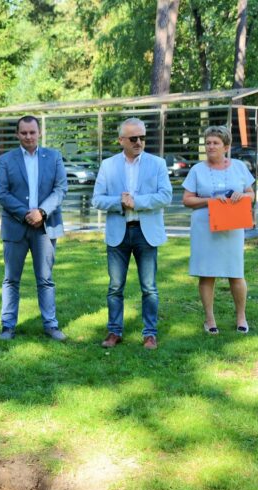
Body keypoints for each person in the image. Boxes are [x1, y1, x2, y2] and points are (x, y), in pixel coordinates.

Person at [92, 117, 172, 350]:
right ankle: (114, 331)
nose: (139, 142)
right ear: (121, 140)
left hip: (146, 233)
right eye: (134, 138)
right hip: (119, 232)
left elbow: (165, 196)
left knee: (149, 287)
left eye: (143, 137)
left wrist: (136, 202)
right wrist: (120, 201)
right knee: (115, 286)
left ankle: (150, 334)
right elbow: (97, 199)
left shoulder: (157, 164)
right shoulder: (108, 165)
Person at [0, 115, 68, 341]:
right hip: (15, 227)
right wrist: (25, 214)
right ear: (17, 134)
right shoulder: (6, 160)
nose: (28, 136)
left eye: (32, 132)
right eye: (24, 132)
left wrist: (42, 212)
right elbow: (2, 193)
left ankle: (50, 324)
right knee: (11, 279)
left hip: (45, 228)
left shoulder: (54, 157)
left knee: (45, 278)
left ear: (39, 133)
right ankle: (8, 326)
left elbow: (60, 189)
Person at [182, 125, 255, 334]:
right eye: (208, 143)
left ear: (226, 146)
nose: (211, 146)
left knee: (236, 272)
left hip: (232, 227)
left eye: (215, 143)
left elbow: (251, 194)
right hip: (205, 228)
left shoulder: (239, 167)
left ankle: (241, 316)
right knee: (207, 274)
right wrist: (210, 200)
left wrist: (243, 196)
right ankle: (209, 319)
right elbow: (186, 199)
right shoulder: (197, 170)